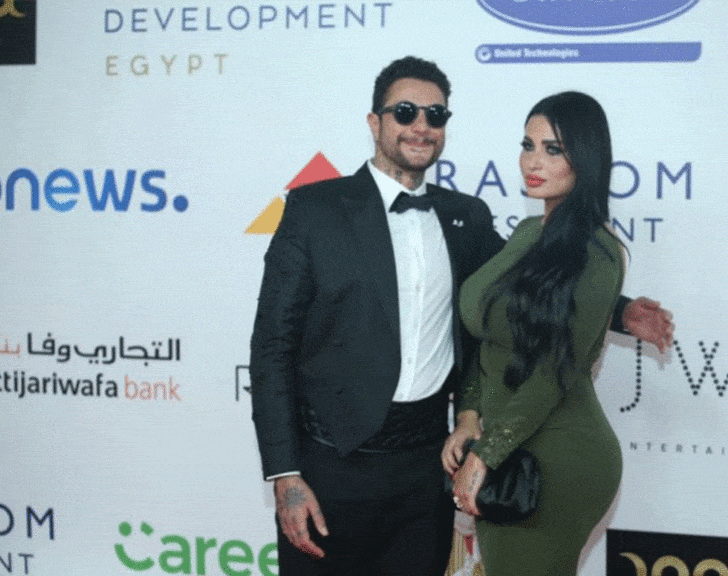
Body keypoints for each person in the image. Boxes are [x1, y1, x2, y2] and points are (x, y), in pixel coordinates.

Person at [251, 57, 672, 576]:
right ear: (375, 122)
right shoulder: (315, 209)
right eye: (405, 112)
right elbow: (271, 347)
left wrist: (622, 311)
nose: (420, 126)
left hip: (427, 467)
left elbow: (533, 288)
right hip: (332, 467)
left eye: (435, 114)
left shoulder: (465, 217)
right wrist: (285, 475)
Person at [445, 91, 645, 575]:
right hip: (506, 448)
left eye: (553, 149)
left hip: (557, 459)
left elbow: (554, 371)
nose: (533, 162)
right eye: (528, 145)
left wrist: (485, 456)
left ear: (586, 159)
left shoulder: (599, 251)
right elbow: (487, 341)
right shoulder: (526, 234)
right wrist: (469, 418)